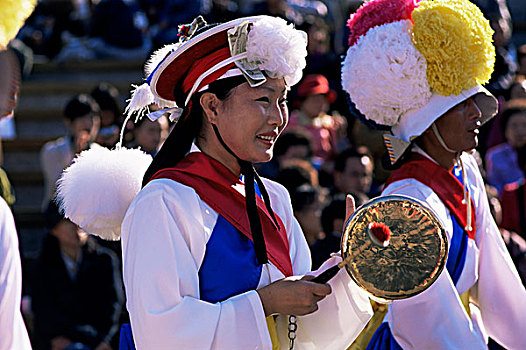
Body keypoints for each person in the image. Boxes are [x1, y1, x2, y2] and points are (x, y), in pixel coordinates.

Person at [57, 15, 373, 349]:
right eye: (263, 100)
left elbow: (304, 335)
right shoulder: (163, 201)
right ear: (211, 106)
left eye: (282, 100)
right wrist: (264, 303)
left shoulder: (275, 199)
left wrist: (345, 273)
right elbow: (162, 334)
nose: (278, 118)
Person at [341, 0, 526, 348]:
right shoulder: (403, 202)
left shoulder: (466, 167)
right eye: (461, 105)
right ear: (427, 123)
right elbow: (427, 319)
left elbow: (497, 275)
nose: (477, 114)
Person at [31, 201, 124, 350]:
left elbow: (113, 307)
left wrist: (103, 341)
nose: (78, 226)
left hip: (100, 341)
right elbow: (44, 312)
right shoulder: (43, 265)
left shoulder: (105, 260)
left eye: (81, 219)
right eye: (69, 221)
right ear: (54, 229)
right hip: (61, 341)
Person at [40, 94, 100, 209]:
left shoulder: (100, 153)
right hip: (60, 217)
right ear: (69, 122)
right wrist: (78, 155)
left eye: (92, 118)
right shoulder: (52, 151)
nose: (89, 124)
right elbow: (60, 187)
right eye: (82, 118)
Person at [485, 99, 526, 193]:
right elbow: (495, 189)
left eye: (524, 125)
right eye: (514, 126)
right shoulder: (494, 156)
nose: (520, 131)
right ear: (505, 130)